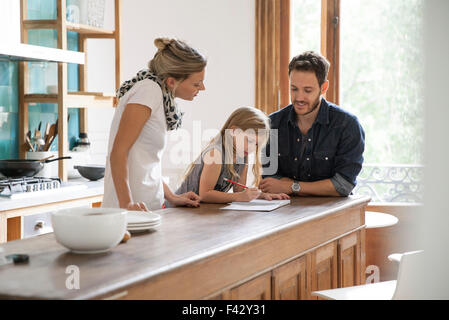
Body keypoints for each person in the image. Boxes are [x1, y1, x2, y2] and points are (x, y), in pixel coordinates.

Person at [102, 38, 207, 211]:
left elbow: (147, 161)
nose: (202, 88)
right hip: (130, 212)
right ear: (172, 81)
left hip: (148, 207)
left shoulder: (160, 95)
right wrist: (126, 204)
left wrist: (172, 196)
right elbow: (118, 152)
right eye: (196, 83)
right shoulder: (148, 91)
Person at [259, 51, 365, 197]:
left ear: (324, 87)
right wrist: (312, 187)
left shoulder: (347, 125)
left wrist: (291, 186)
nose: (299, 97)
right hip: (283, 212)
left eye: (307, 90)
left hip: (333, 213)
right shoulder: (272, 124)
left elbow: (342, 185)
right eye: (294, 89)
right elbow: (268, 178)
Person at [175, 107, 290, 203]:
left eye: (256, 144)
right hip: (177, 212)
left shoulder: (242, 155)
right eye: (249, 141)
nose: (251, 148)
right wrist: (240, 197)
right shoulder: (216, 154)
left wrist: (261, 195)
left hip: (199, 213)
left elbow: (239, 191)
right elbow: (205, 195)